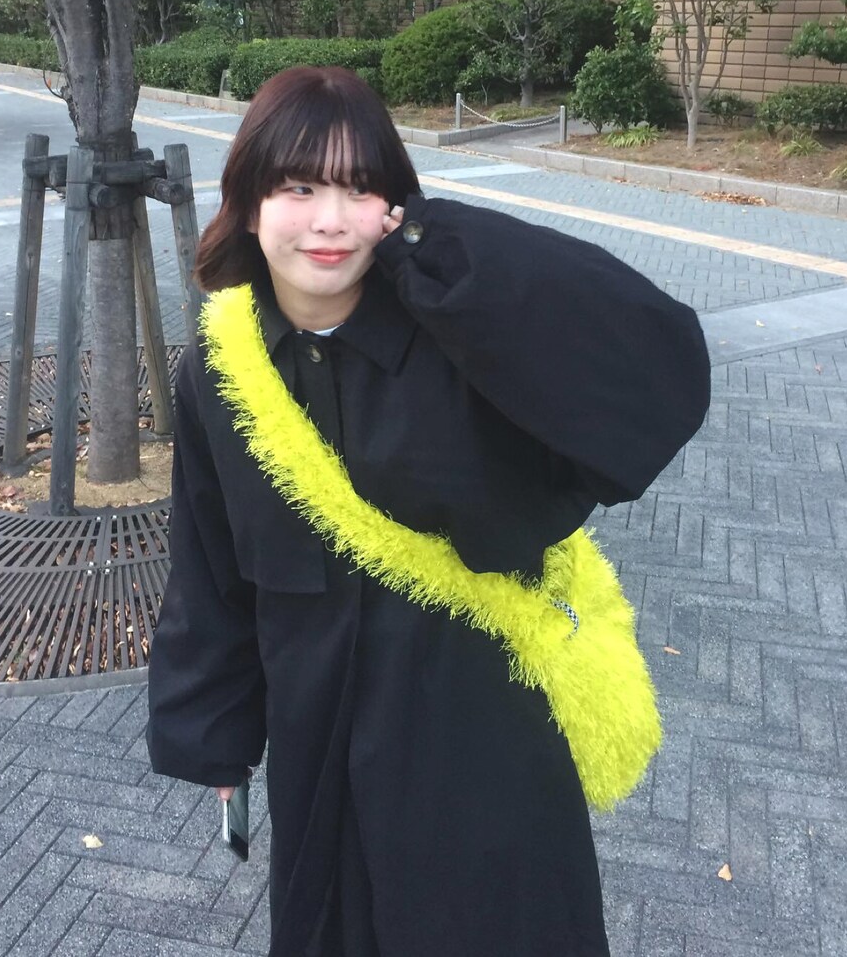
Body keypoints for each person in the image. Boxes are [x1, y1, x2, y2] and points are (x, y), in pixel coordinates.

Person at [146, 65, 711, 957]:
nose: (330, 221)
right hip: (319, 741)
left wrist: (442, 246)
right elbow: (208, 560)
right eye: (298, 188)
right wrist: (212, 733)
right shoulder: (218, 372)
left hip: (482, 736)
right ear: (249, 204)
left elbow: (649, 361)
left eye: (358, 189)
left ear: (394, 207)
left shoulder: (466, 339)